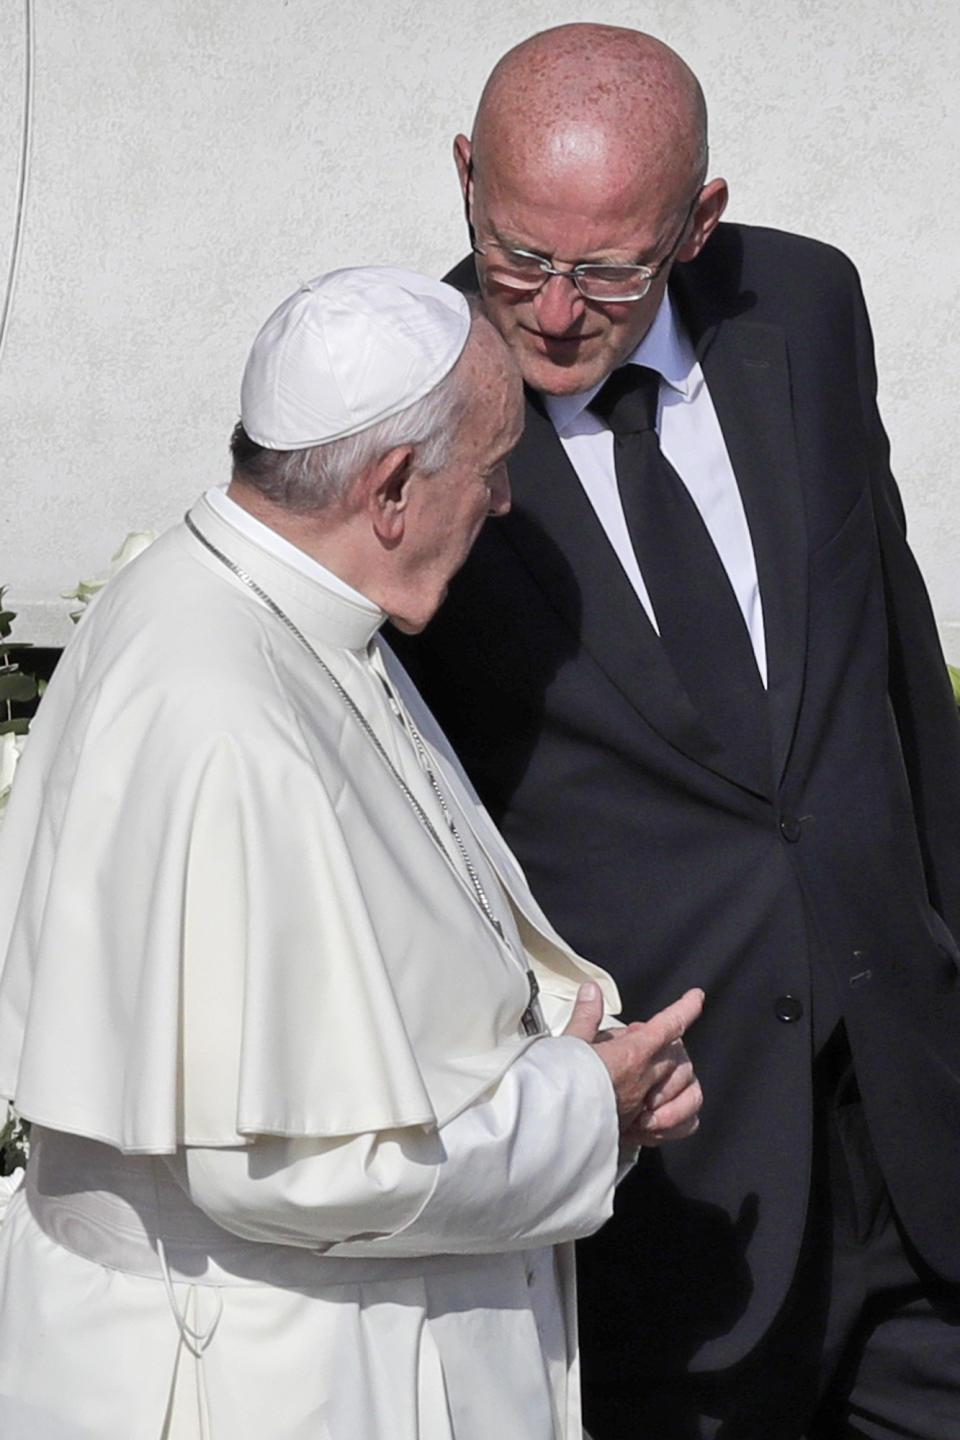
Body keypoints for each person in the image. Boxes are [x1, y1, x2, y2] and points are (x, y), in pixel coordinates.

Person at [0, 267, 705, 1440]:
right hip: (284, 1381)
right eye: (488, 470)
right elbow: (289, 1168)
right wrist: (590, 1109)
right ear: (389, 490)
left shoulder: (270, 608)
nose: (506, 505)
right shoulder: (221, 708)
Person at [386, 25, 960, 1440]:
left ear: (699, 224)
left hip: (906, 1120)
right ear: (465, 176)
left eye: (610, 271)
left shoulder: (808, 310)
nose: (558, 311)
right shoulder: (401, 422)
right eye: (518, 257)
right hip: (668, 1195)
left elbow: (895, 646)